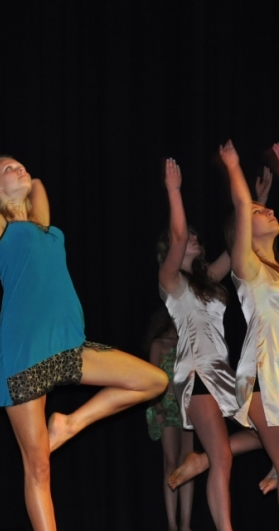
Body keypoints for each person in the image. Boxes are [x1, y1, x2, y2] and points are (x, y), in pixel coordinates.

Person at [0, 156, 167, 531]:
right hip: (22, 353)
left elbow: (37, 183)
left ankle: (69, 423)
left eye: (20, 165)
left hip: (68, 345)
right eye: (9, 169)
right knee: (38, 467)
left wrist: (20, 180)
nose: (21, 169)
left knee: (154, 380)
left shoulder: (42, 223)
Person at [157, 157, 238, 530]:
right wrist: (174, 191)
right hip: (196, 372)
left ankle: (199, 460)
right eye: (187, 235)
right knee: (223, 457)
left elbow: (236, 248)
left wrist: (252, 202)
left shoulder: (209, 280)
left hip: (223, 371)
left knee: (267, 428)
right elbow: (176, 237)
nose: (193, 237)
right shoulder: (171, 281)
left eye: (195, 235)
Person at [210, 140, 279, 502]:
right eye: (259, 212)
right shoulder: (246, 268)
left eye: (266, 210)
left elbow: (249, 212)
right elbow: (241, 207)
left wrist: (259, 202)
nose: (269, 212)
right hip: (263, 378)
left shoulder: (272, 267)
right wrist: (233, 165)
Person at [144, 309, 194, 531]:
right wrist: (158, 406)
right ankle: (172, 524)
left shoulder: (188, 342)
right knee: (171, 461)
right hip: (166, 405)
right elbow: (151, 378)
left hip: (188, 407)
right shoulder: (159, 344)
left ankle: (186, 524)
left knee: (188, 462)